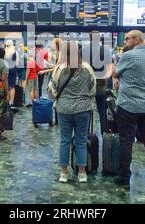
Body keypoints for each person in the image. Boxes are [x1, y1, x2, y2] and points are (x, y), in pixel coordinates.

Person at [112, 30, 145, 188]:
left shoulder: (128, 56)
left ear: (137, 40)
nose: (125, 42)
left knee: (126, 141)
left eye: (127, 39)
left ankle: (123, 177)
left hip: (128, 105)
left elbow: (114, 72)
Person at [48, 41, 96, 184]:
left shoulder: (59, 69)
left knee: (65, 140)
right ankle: (82, 173)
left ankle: (64, 173)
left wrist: (59, 96)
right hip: (83, 109)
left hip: (64, 109)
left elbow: (51, 90)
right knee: (81, 140)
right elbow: (92, 89)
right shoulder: (87, 68)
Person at [86, 31, 113, 134]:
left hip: (87, 85)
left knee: (86, 111)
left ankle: (86, 134)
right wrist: (106, 77)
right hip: (101, 85)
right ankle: (103, 132)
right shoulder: (105, 51)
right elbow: (110, 68)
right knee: (102, 111)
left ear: (90, 38)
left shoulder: (83, 50)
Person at [4, 40, 17, 108]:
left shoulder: (4, 51)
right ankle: (11, 102)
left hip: (6, 69)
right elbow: (16, 62)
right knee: (12, 86)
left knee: (6, 85)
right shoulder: (14, 51)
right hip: (13, 69)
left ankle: (7, 101)